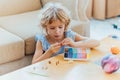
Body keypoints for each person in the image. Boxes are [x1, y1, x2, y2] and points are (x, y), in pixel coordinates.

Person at [32, 2, 100, 64]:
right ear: (45, 27)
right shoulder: (42, 41)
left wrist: (74, 44)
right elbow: (33, 63)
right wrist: (49, 52)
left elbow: (96, 42)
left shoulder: (68, 35)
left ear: (65, 25)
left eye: (60, 27)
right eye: (52, 28)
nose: (57, 31)